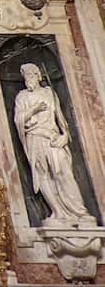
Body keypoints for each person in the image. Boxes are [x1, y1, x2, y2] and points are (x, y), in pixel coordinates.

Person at [13, 63, 92, 223]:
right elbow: (18, 119)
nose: (28, 78)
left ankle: (79, 211)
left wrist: (65, 136)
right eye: (25, 76)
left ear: (38, 75)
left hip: (53, 137)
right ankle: (58, 212)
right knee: (42, 175)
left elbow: (61, 119)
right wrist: (33, 110)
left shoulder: (49, 93)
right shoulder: (22, 97)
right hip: (34, 138)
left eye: (31, 74)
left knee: (63, 172)